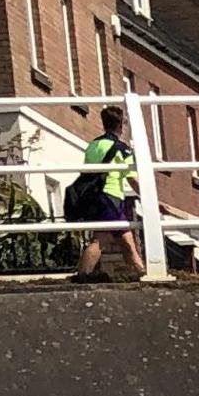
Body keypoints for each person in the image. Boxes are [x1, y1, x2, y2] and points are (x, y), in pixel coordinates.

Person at [67, 106, 141, 281]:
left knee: (127, 242)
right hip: (111, 197)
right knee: (100, 241)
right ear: (120, 125)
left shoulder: (93, 145)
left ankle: (143, 273)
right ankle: (82, 276)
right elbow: (132, 178)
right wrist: (151, 200)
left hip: (97, 197)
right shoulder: (123, 150)